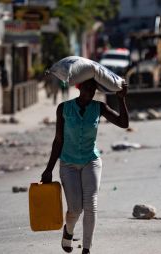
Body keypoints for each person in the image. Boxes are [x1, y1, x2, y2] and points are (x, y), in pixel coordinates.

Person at [41, 78, 129, 254]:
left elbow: (124, 124)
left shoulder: (99, 107)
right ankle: (69, 231)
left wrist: (121, 99)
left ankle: (86, 249)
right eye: (87, 87)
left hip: (91, 160)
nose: (90, 90)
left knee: (90, 205)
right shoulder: (64, 108)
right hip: (68, 163)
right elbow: (58, 140)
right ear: (79, 87)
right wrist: (49, 168)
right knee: (75, 209)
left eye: (93, 88)